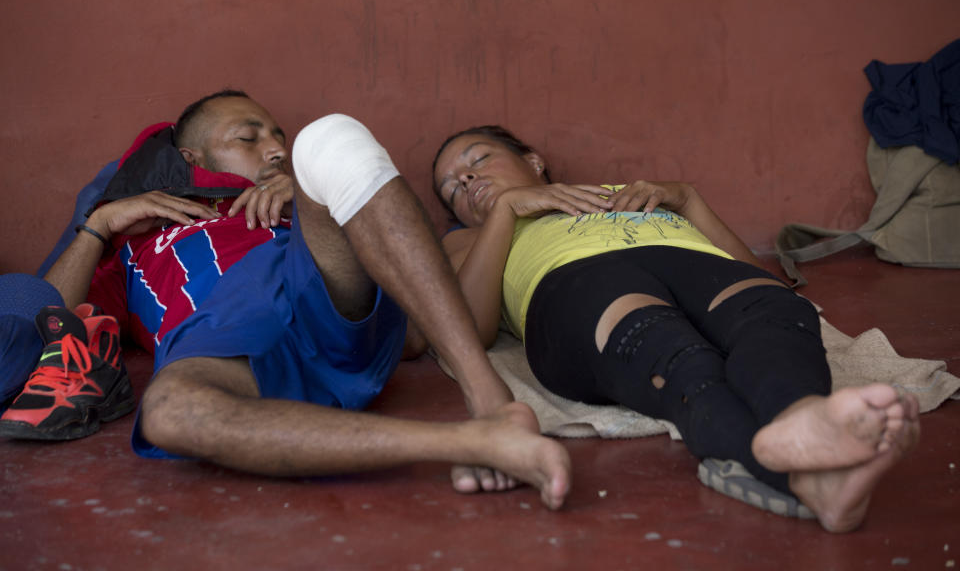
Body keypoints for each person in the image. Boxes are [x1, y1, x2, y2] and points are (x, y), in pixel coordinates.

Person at [0, 93, 571, 510]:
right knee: (169, 410)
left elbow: (377, 221)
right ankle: (471, 444)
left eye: (277, 137)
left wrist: (307, 185)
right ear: (193, 155)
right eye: (249, 139)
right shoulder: (136, 240)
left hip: (320, 291)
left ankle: (488, 399)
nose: (274, 148)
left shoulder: (294, 196)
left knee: (331, 135)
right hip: (219, 346)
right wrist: (98, 227)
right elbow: (44, 309)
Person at [431, 124, 921, 533]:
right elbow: (469, 330)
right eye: (453, 187)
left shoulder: (621, 193)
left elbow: (758, 274)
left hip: (688, 263)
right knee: (665, 347)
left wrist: (687, 199)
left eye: (478, 158)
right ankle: (786, 466)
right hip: (576, 287)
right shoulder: (467, 239)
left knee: (767, 309)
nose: (467, 177)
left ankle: (804, 419)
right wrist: (506, 210)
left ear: (534, 161)